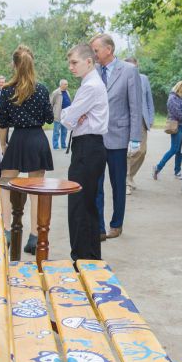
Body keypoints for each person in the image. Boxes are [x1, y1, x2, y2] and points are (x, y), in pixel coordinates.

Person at [0, 45, 54, 254]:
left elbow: (3, 122)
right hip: (37, 139)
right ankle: (34, 235)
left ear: (14, 65)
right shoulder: (41, 89)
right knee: (36, 189)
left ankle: (5, 230)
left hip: (18, 138)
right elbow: (49, 118)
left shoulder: (6, 90)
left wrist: (3, 146)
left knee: (4, 184)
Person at [90, 34, 142, 240]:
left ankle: (116, 224)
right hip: (96, 137)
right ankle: (99, 227)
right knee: (96, 184)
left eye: (96, 50)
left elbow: (135, 106)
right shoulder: (93, 71)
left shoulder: (129, 71)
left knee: (118, 184)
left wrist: (135, 138)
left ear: (108, 49)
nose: (93, 54)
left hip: (119, 137)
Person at [61, 44, 108, 261]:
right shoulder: (90, 83)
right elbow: (70, 117)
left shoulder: (90, 86)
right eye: (70, 63)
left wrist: (69, 115)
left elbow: (67, 119)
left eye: (74, 62)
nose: (71, 67)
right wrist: (70, 115)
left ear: (89, 62)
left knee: (79, 206)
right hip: (89, 147)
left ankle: (81, 257)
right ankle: (89, 257)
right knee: (87, 205)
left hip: (88, 148)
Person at [124, 57, 155, 195]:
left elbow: (149, 100)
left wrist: (151, 117)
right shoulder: (121, 78)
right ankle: (126, 181)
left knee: (141, 151)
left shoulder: (144, 79)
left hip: (141, 120)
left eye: (134, 67)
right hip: (126, 119)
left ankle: (130, 175)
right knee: (128, 152)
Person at [153, 81, 182, 180]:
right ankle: (158, 167)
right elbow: (177, 114)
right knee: (174, 149)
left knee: (180, 151)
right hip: (176, 126)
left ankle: (177, 172)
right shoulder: (173, 98)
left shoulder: (181, 98)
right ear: (180, 88)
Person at [50, 79, 72, 150]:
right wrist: (52, 113)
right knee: (56, 132)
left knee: (64, 131)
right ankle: (55, 146)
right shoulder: (56, 92)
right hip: (58, 115)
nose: (67, 85)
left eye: (67, 84)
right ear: (61, 85)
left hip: (65, 116)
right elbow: (51, 103)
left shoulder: (67, 92)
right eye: (65, 84)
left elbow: (69, 101)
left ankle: (63, 145)